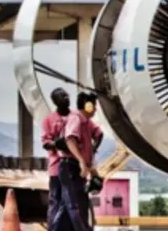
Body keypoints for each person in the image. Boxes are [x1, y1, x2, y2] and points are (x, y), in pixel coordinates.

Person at [56, 91, 99, 231]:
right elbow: (70, 139)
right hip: (70, 167)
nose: (96, 109)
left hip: (76, 167)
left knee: (67, 206)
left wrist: (89, 165)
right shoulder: (76, 118)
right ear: (87, 106)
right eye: (94, 105)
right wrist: (81, 161)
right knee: (76, 204)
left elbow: (98, 135)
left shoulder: (86, 122)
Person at [42, 88, 71, 231]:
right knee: (56, 201)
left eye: (66, 95)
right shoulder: (49, 120)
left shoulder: (77, 117)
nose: (66, 97)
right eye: (62, 96)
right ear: (55, 101)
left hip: (74, 168)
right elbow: (45, 143)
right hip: (56, 168)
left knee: (73, 202)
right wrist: (56, 144)